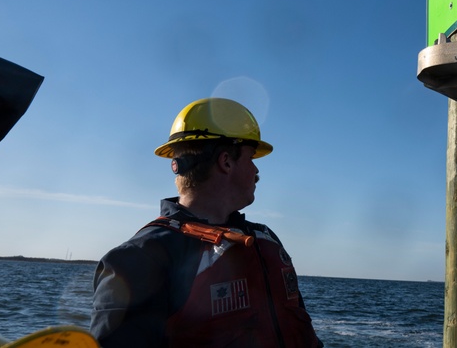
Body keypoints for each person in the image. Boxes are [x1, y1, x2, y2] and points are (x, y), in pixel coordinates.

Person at [91, 97, 322, 348]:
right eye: (251, 158)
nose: (257, 171)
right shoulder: (142, 257)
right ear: (226, 162)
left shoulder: (265, 240)